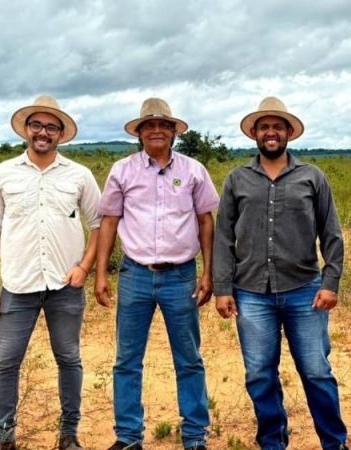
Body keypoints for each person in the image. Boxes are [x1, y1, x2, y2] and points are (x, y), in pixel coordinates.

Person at [213, 97, 349, 450]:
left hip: (305, 289)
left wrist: (331, 282)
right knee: (259, 373)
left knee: (317, 372)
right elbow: (224, 236)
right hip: (251, 292)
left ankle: (335, 442)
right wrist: (222, 287)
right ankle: (272, 440)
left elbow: (331, 233)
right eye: (264, 127)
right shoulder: (237, 179)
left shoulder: (311, 177)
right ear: (254, 134)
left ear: (288, 132)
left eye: (277, 126)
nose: (270, 132)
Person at [94, 98, 218, 450]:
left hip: (181, 276)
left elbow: (206, 221)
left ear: (175, 132)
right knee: (127, 360)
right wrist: (102, 273)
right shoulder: (122, 171)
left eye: (164, 125)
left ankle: (195, 436)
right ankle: (129, 436)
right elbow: (109, 222)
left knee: (189, 359)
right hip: (134, 275)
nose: (157, 131)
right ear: (139, 133)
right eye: (149, 126)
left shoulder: (194, 170)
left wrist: (209, 272)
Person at [0, 95, 101, 450]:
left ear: (61, 134)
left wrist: (85, 267)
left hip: (65, 285)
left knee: (69, 358)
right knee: (7, 361)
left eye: (51, 126)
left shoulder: (79, 175)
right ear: (26, 130)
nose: (43, 132)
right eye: (37, 125)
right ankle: (2, 435)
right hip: (18, 284)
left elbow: (99, 224)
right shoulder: (2, 174)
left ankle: (68, 434)